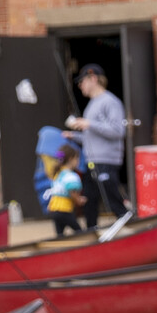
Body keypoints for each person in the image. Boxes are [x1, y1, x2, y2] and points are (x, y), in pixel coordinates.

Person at [64, 64, 126, 227]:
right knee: (89, 204)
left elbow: (118, 131)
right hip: (91, 162)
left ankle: (132, 230)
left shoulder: (110, 102)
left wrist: (89, 124)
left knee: (113, 202)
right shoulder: (91, 104)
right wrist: (74, 136)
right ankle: (90, 236)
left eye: (82, 81)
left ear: (93, 79)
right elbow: (92, 136)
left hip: (105, 161)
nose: (80, 85)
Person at [44, 144, 86, 237]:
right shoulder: (70, 176)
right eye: (77, 158)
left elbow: (55, 191)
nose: (78, 161)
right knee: (81, 233)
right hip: (64, 210)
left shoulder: (58, 174)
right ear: (71, 159)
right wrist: (79, 200)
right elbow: (72, 192)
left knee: (59, 236)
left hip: (54, 210)